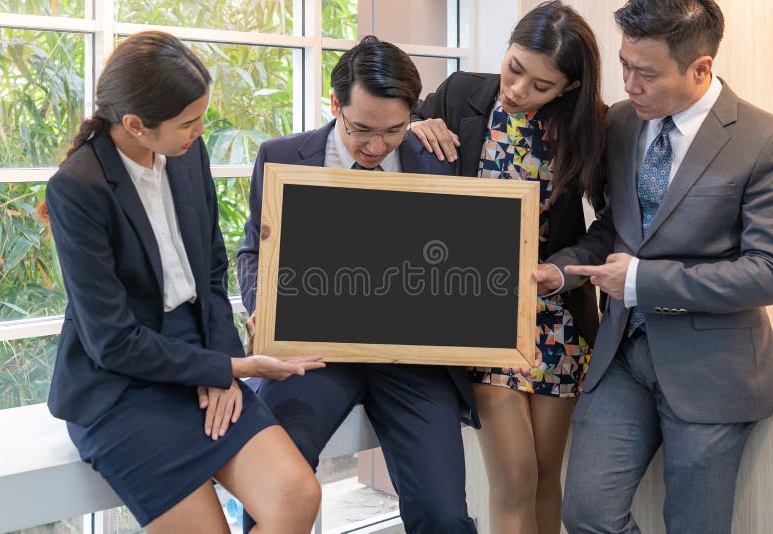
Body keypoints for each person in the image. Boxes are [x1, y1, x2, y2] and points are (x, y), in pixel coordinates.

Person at [42, 31, 325, 533]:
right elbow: (113, 342)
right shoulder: (77, 189)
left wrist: (220, 368)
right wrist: (225, 366)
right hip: (121, 387)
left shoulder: (187, 153)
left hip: (198, 353)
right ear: (135, 124)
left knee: (297, 497)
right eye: (188, 122)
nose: (199, 131)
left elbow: (213, 271)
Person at [532, 1, 773, 532]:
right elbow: (611, 232)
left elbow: (765, 270)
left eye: (646, 72)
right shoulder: (619, 123)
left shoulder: (762, 140)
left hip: (714, 367)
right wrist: (564, 270)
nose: (629, 84)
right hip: (623, 354)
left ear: (701, 68)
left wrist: (643, 281)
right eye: (623, 64)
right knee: (586, 515)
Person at [237, 36, 479, 533]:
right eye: (361, 130)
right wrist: (264, 304)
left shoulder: (438, 159)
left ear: (413, 114)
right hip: (313, 354)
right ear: (335, 105)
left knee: (443, 513)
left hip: (411, 358)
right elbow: (253, 252)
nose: (375, 147)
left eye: (393, 131)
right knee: (274, 484)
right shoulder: (282, 157)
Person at [411, 2, 605, 532]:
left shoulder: (589, 129)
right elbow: (391, 144)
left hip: (554, 316)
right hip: (478, 314)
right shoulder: (458, 95)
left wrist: (564, 268)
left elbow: (607, 227)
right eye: (514, 67)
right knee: (515, 475)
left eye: (540, 85)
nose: (517, 89)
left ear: (568, 88)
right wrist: (416, 123)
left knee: (545, 476)